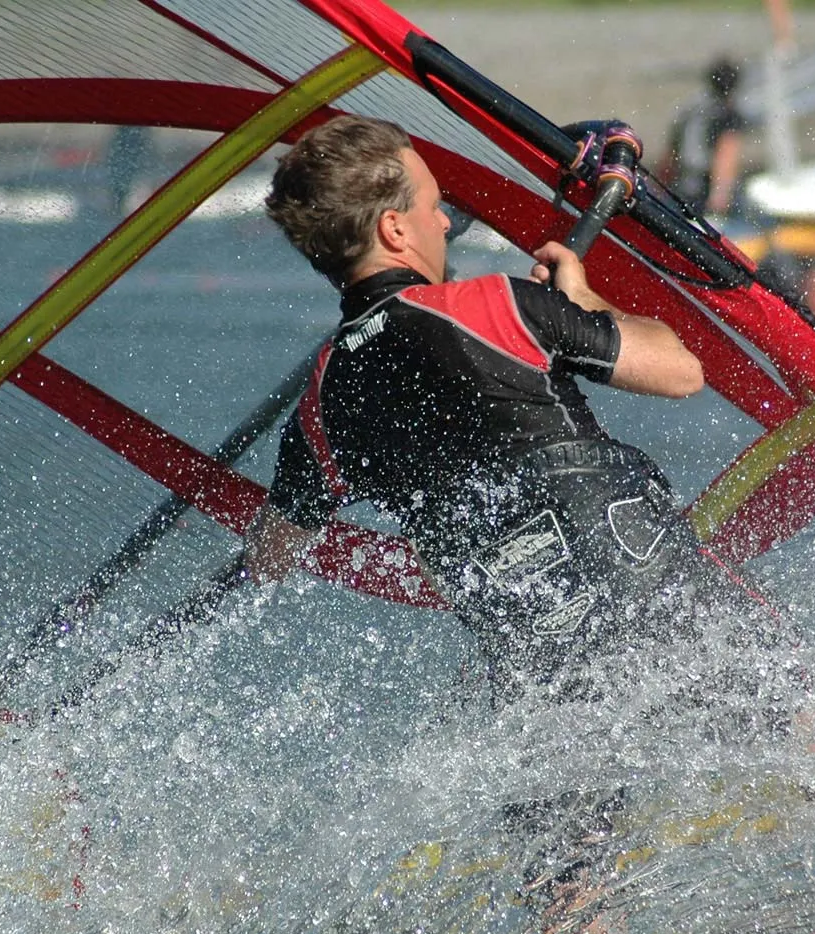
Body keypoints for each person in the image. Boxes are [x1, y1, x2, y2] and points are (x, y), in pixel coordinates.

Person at [246, 115, 766, 696]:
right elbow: (679, 371)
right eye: (433, 206)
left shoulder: (323, 401)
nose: (444, 222)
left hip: (541, 670)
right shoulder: (491, 304)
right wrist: (582, 299)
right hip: (652, 602)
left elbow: (271, 557)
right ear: (394, 229)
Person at [661, 57, 750, 217]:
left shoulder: (690, 109)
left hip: (681, 187)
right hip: (705, 189)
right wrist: (720, 196)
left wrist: (660, 188)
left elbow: (670, 154)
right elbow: (726, 154)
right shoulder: (728, 114)